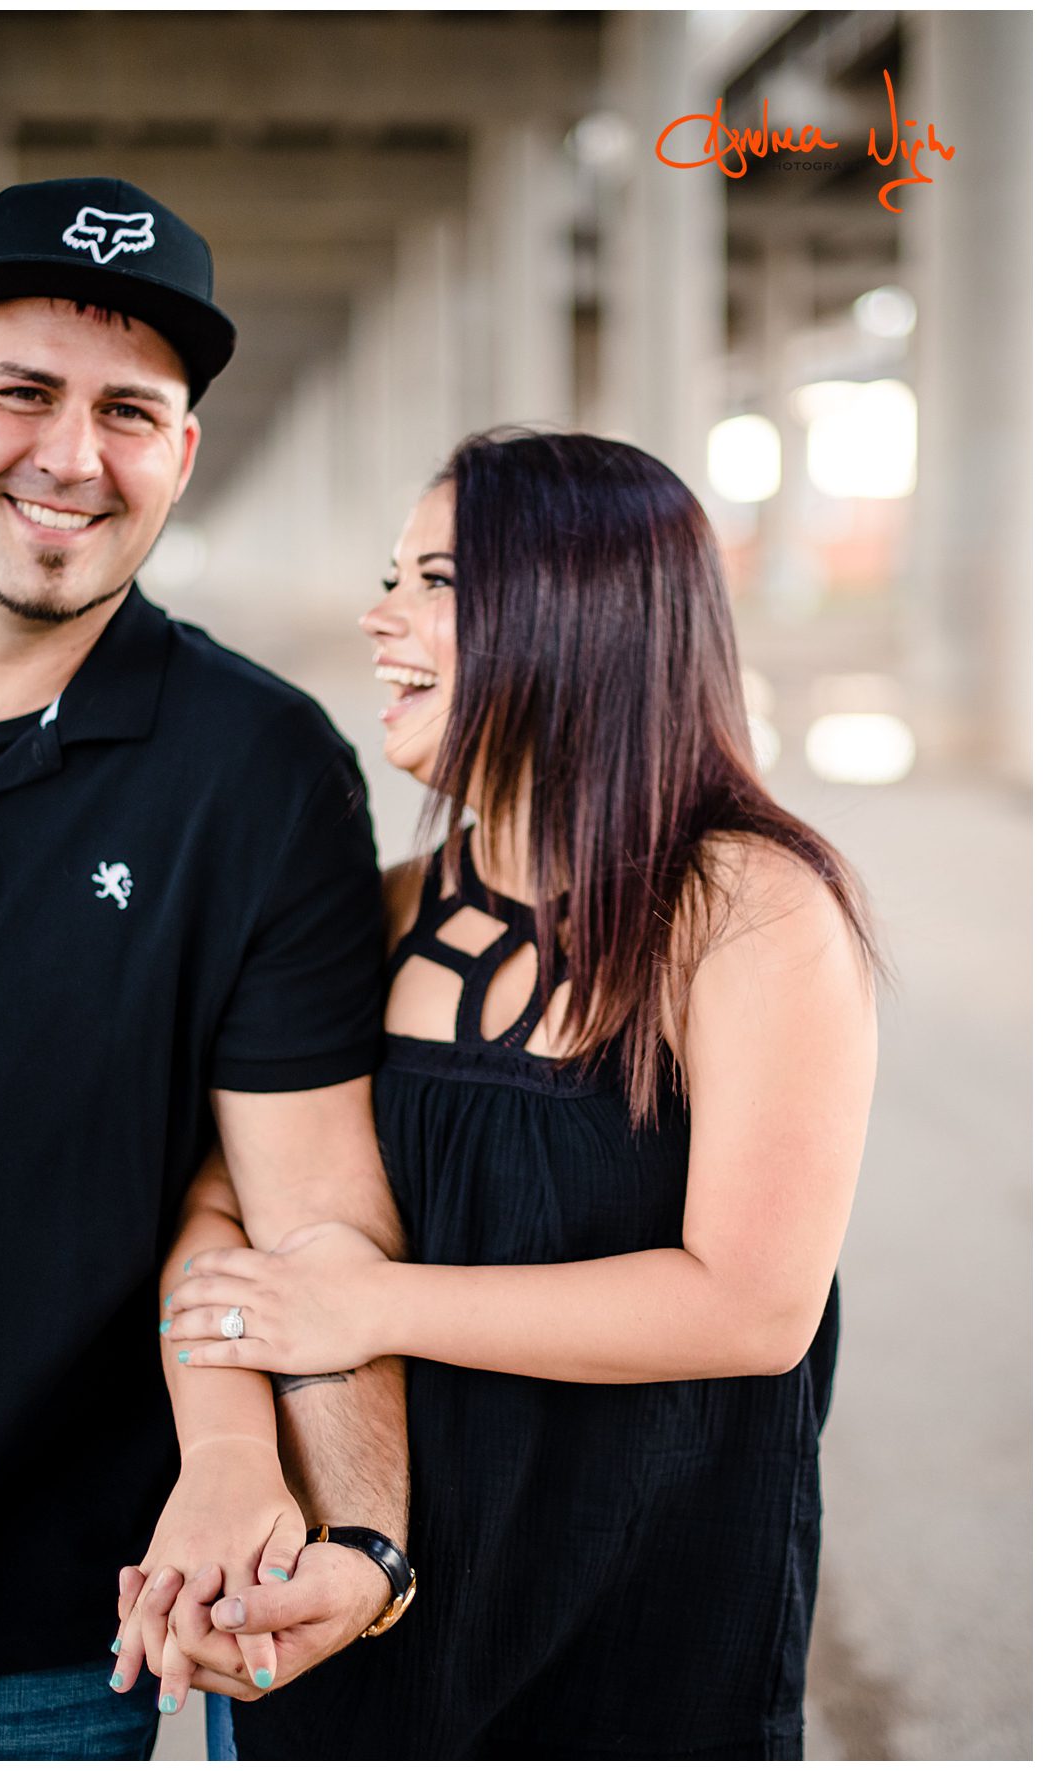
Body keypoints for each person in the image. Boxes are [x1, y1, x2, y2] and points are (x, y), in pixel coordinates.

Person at [138, 430, 879, 1756]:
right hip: (361, 1606)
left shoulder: (753, 911)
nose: (381, 616)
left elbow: (755, 1301)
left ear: (583, 611)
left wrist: (375, 1297)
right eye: (392, 576)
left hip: (641, 1633)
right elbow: (222, 1207)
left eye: (437, 580)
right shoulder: (378, 914)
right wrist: (226, 1453)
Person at [0, 178, 412, 1760]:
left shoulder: (264, 768)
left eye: (129, 412)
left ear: (184, 453)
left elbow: (307, 1212)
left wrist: (361, 1534)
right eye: (24, 392)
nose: (71, 456)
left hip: (40, 1644)